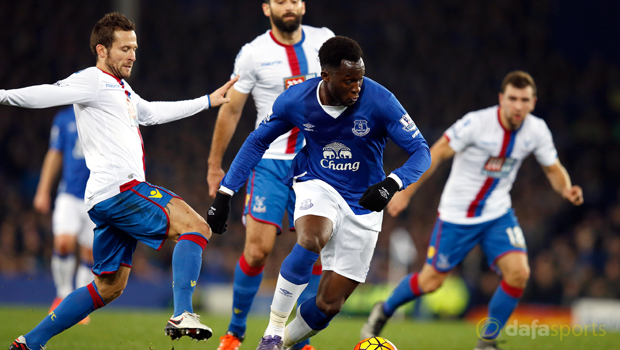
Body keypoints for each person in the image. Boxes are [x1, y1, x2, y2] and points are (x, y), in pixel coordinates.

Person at [1, 12, 237, 350]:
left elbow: (152, 113)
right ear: (102, 50)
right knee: (197, 228)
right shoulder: (92, 80)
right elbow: (46, 94)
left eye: (135, 48)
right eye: (124, 48)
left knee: (108, 287)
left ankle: (30, 342)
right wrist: (4, 94)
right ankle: (183, 312)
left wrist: (207, 101)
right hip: (122, 189)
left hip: (104, 197)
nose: (132, 55)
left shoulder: (121, 88)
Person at [207, 36, 431, 350]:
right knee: (311, 238)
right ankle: (271, 333)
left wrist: (392, 184)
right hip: (317, 183)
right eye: (348, 80)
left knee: (329, 305)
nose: (357, 87)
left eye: (360, 78)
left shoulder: (380, 100)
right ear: (326, 76)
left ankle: (281, 344)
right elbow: (258, 141)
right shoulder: (296, 100)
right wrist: (225, 193)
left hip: (365, 201)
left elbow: (421, 151)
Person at [360, 71, 584, 350]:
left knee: (519, 273)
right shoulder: (475, 123)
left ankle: (487, 341)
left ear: (533, 103)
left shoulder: (536, 130)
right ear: (501, 99)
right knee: (430, 282)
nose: (517, 105)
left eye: (524, 100)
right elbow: (437, 152)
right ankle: (384, 309)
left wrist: (566, 188)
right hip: (456, 217)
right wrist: (407, 191)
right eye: (512, 98)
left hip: (497, 214)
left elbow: (553, 168)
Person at [206, 1, 333, 349]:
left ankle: (295, 335)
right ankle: (235, 330)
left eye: (294, 0)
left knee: (314, 252)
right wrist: (215, 164)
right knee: (258, 250)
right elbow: (231, 111)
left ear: (303, 5)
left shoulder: (325, 42)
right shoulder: (253, 54)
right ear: (267, 8)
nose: (288, 6)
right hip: (271, 163)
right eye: (280, 1)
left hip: (316, 164)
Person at [33, 106, 95, 325]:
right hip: (68, 194)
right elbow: (54, 154)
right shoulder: (64, 118)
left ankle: (79, 305)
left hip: (96, 196)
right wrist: (43, 190)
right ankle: (62, 295)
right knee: (62, 243)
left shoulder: (104, 115)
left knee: (90, 253)